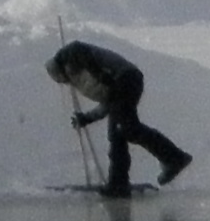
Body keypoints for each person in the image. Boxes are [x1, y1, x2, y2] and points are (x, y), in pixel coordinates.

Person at [47, 40, 193, 195]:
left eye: (62, 79)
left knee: (126, 129)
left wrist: (99, 74)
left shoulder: (70, 56)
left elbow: (77, 49)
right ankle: (119, 182)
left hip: (125, 79)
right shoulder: (82, 77)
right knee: (119, 133)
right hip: (123, 84)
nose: (65, 83)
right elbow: (108, 102)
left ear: (61, 71)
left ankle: (173, 158)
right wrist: (87, 118)